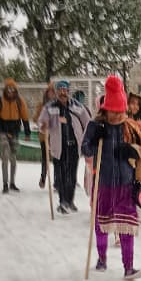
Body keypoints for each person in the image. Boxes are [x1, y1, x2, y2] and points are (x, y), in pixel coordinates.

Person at [81, 75, 141, 281]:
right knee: (101, 223)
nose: (116, 116)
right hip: (103, 183)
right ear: (105, 109)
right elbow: (84, 148)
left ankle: (128, 267)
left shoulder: (128, 126)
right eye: (113, 112)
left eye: (120, 112)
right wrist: (95, 141)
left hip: (125, 183)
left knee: (127, 224)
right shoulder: (96, 126)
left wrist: (132, 151)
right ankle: (102, 258)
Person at [38, 80, 90, 214]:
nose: (63, 92)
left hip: (74, 146)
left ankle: (70, 200)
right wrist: (43, 126)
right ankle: (62, 202)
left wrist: (86, 137)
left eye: (65, 90)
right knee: (60, 175)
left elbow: (87, 122)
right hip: (58, 146)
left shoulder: (77, 106)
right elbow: (41, 122)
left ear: (68, 91)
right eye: (60, 89)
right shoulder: (50, 107)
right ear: (56, 92)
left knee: (72, 175)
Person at [0, 78, 31, 194]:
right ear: (5, 89)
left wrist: (27, 133)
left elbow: (25, 117)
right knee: (5, 157)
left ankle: (12, 183)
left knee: (13, 159)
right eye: (8, 89)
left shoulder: (19, 101)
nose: (10, 91)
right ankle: (5, 184)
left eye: (13, 89)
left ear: (15, 90)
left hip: (15, 132)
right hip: (2, 131)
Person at [33, 82, 55, 189]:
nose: (51, 94)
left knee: (56, 158)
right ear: (46, 93)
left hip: (55, 136)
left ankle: (57, 181)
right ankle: (43, 177)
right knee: (45, 157)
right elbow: (35, 118)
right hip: (44, 135)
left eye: (52, 92)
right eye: (49, 92)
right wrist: (42, 123)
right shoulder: (41, 105)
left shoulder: (58, 105)